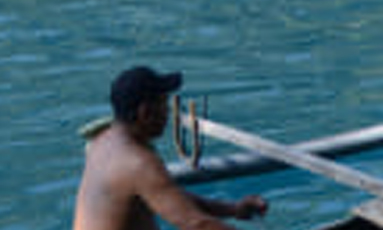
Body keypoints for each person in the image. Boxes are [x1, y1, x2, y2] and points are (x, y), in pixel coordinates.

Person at [73, 67, 267, 230]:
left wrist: (232, 210)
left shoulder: (103, 141)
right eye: (164, 104)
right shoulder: (138, 162)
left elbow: (168, 194)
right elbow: (197, 224)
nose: (168, 113)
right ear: (145, 112)